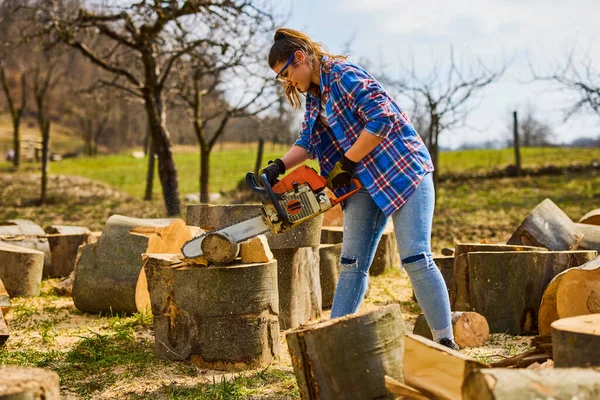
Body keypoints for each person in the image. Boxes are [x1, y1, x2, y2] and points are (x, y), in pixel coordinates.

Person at [261, 28, 458, 350]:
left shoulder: (344, 75)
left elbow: (382, 119)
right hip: (364, 181)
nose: (288, 82)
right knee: (351, 263)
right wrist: (280, 166)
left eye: (286, 74)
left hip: (402, 171)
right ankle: (333, 341)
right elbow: (309, 141)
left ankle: (445, 339)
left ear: (300, 58)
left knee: (415, 256)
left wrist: (348, 162)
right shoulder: (315, 96)